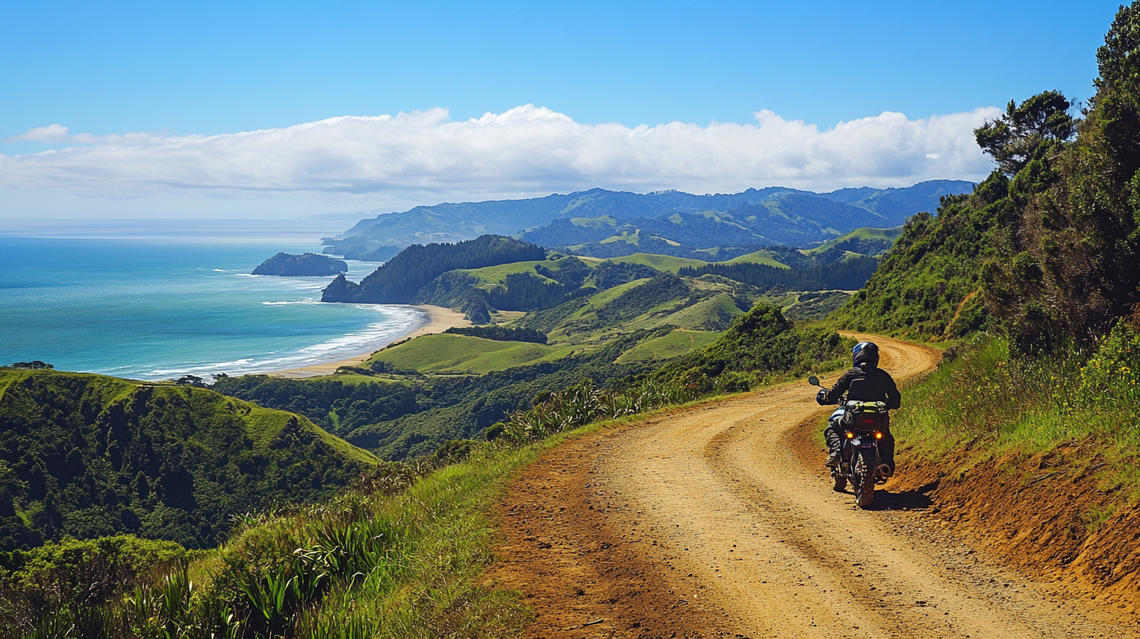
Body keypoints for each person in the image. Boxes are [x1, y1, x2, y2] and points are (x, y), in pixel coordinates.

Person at [815, 341, 901, 473]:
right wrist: (884, 405)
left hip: (852, 420)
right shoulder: (883, 376)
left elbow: (832, 395)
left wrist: (825, 397)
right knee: (886, 437)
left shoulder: (850, 374)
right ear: (875, 357)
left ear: (857, 355)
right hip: (878, 421)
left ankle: (836, 454)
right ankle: (887, 464)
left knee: (832, 426)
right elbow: (895, 401)